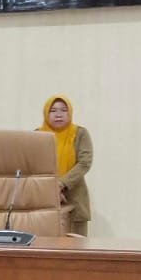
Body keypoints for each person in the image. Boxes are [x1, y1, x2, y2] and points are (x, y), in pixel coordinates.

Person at [39, 94, 93, 236]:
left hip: (75, 196)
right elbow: (32, 166)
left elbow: (85, 162)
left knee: (77, 243)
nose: (58, 114)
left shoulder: (80, 133)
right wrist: (51, 187)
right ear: (45, 113)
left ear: (70, 113)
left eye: (64, 110)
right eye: (53, 110)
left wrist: (61, 184)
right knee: (45, 242)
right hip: (43, 198)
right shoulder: (37, 136)